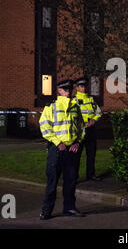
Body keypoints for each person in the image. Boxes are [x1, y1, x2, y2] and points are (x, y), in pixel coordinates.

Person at [39, 79, 86, 220]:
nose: (67, 92)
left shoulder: (75, 107)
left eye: (69, 90)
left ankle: (69, 208)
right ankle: (46, 211)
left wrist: (78, 141)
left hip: (71, 150)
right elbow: (44, 126)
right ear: (58, 90)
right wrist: (57, 142)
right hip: (56, 149)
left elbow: (81, 127)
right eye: (64, 90)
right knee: (52, 182)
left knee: (71, 181)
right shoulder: (51, 107)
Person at [75, 77, 102, 181]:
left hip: (91, 130)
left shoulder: (91, 99)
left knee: (91, 154)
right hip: (80, 131)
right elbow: (72, 116)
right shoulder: (74, 101)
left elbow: (98, 112)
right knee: (76, 155)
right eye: (81, 86)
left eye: (85, 86)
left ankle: (91, 175)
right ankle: (74, 177)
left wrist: (93, 120)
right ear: (77, 88)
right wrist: (82, 123)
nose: (84, 88)